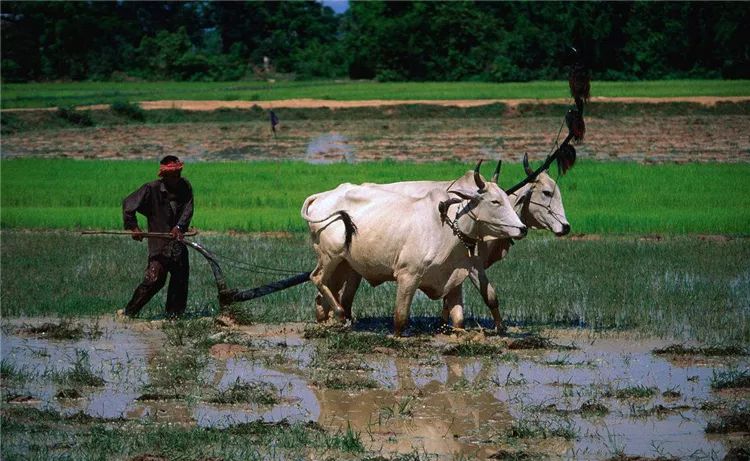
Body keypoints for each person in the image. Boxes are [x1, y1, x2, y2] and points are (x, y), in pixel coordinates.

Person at [120, 155, 194, 318]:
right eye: (172, 176)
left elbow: (188, 209)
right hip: (159, 244)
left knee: (180, 281)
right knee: (154, 280)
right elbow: (128, 204)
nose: (176, 179)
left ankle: (174, 317)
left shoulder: (185, 186)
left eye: (178, 175)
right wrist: (134, 227)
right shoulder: (151, 189)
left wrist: (180, 226)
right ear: (164, 175)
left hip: (178, 243)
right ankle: (129, 313)